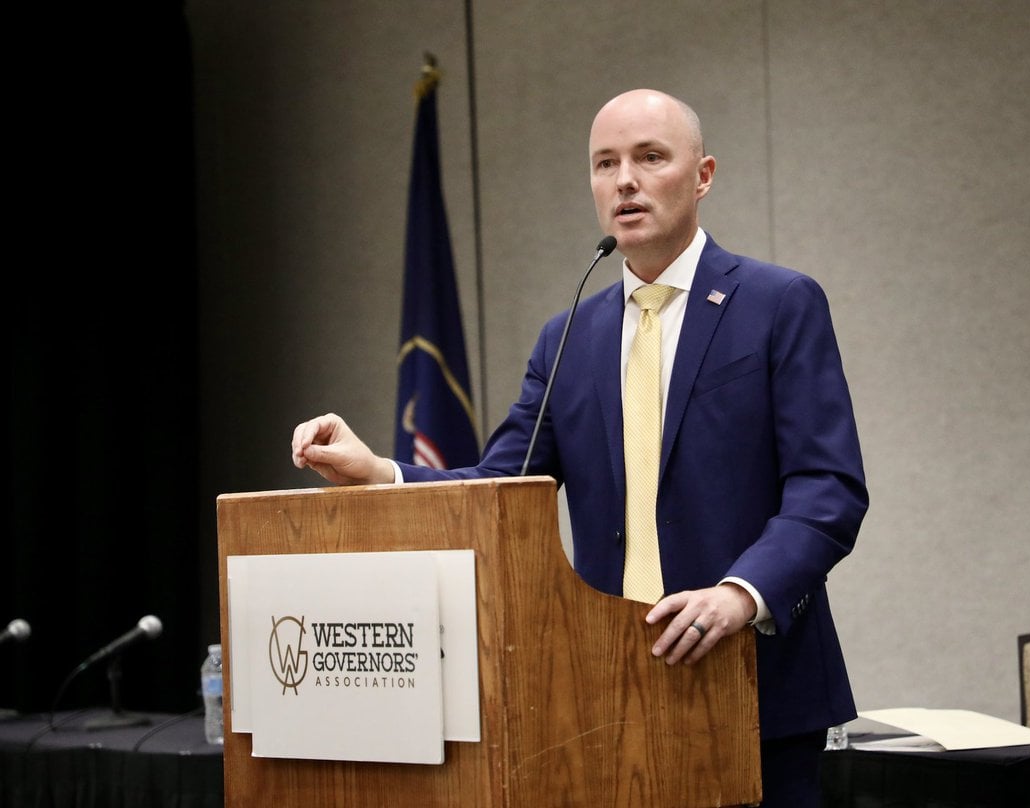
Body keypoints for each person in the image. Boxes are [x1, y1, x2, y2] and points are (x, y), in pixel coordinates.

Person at [292, 88, 868, 807]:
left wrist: (739, 594)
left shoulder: (778, 303)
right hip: (606, 689)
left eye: (649, 157)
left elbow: (828, 487)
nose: (623, 180)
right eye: (605, 164)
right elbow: (505, 483)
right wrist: (377, 471)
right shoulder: (570, 334)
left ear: (703, 174)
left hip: (753, 677)